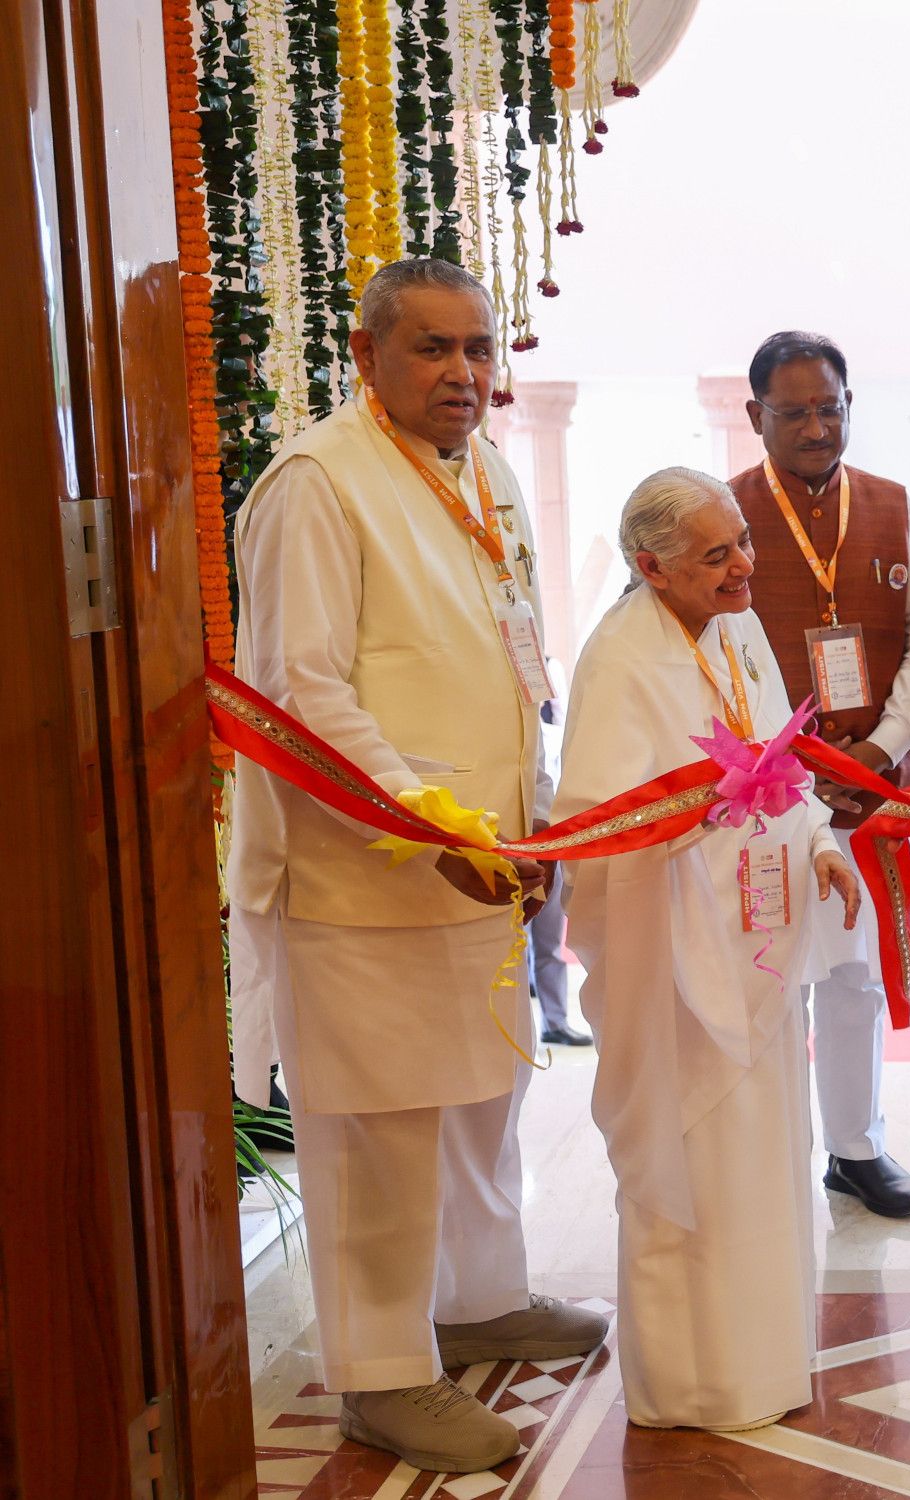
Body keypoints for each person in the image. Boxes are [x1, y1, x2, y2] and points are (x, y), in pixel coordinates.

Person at [224, 258, 607, 1472]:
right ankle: (383, 1372)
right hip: (368, 878)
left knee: (483, 1099)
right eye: (434, 349)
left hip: (482, 863)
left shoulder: (481, 473)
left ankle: (480, 1297)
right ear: (367, 355)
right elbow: (301, 692)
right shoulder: (317, 484)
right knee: (378, 1130)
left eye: (480, 349)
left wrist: (529, 820)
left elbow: (516, 662)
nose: (465, 374)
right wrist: (434, 829)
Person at [557, 469, 860, 1432]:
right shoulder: (618, 658)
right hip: (673, 958)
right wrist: (708, 811)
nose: (743, 567)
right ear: (650, 567)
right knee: (689, 1160)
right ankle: (690, 1384)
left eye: (743, 543)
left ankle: (764, 1366)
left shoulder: (741, 629)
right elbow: (593, 820)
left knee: (765, 1152)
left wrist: (818, 839)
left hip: (757, 937)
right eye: (716, 554)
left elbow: (784, 761)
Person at [730, 331, 910, 1219]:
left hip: (877, 785)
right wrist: (794, 768)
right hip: (766, 794)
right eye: (794, 412)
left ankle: (855, 1150)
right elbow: (712, 656)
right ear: (755, 417)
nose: (817, 428)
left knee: (854, 971)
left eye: (831, 407)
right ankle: (764, 1147)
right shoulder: (724, 512)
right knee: (767, 971)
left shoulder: (894, 505)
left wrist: (884, 746)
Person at [529, 697, 594, 1046]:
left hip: (554, 839)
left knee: (549, 940)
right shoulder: (527, 731)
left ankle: (555, 1021)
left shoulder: (568, 728)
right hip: (519, 835)